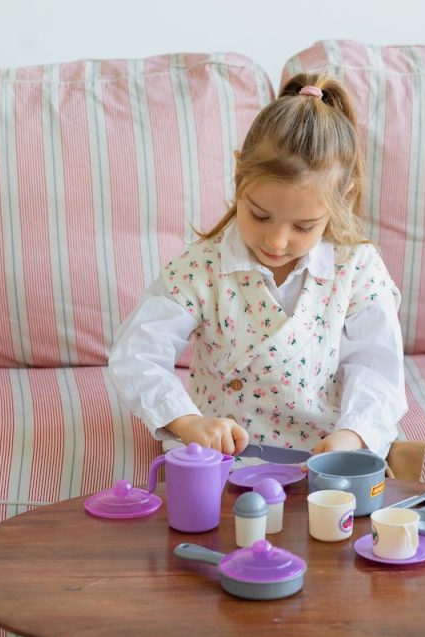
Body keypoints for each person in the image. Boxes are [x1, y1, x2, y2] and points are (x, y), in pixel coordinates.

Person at [109, 73, 407, 474]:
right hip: (223, 461)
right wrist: (188, 421)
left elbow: (377, 369)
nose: (278, 241)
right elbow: (136, 353)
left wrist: (353, 436)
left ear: (343, 198)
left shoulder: (356, 269)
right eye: (259, 215)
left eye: (303, 226)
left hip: (327, 464)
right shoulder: (202, 268)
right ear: (239, 176)